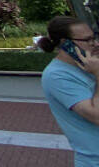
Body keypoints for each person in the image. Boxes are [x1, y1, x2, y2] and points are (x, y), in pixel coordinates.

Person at [40, 16, 99, 166]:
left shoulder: (91, 64)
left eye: (94, 38)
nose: (96, 44)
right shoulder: (56, 75)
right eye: (88, 40)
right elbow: (96, 116)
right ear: (66, 44)